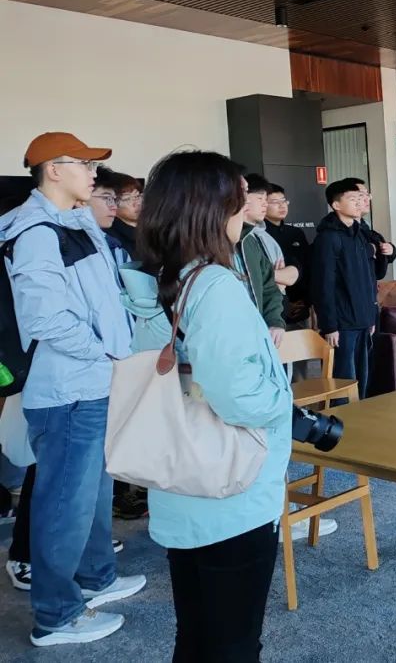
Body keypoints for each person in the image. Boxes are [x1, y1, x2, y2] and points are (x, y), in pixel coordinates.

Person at [118, 150, 292, 661]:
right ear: (213, 210)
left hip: (183, 479)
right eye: (241, 198)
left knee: (196, 634)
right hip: (232, 490)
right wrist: (282, 399)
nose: (247, 208)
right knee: (234, 642)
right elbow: (238, 396)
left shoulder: (158, 278)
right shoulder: (215, 285)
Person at [0, 132, 145, 647]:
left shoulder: (72, 224)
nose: (93, 173)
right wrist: (102, 351)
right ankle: (56, 616)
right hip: (67, 390)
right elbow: (44, 319)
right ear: (53, 170)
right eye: (83, 164)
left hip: (92, 383)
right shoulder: (36, 231)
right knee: (65, 502)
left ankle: (96, 577)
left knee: (93, 494)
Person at [311, 178, 395, 400]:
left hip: (364, 319)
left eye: (361, 198)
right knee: (343, 379)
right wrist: (329, 325)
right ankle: (341, 416)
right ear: (336, 205)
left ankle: (360, 413)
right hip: (342, 323)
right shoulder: (328, 238)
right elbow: (323, 285)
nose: (359, 202)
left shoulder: (360, 234)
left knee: (362, 377)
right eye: (353, 199)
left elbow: (370, 277)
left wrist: (370, 318)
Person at [236, 176, 286, 348]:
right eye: (260, 198)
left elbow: (269, 286)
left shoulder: (250, 241)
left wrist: (274, 321)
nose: (264, 204)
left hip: (260, 335)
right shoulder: (203, 245)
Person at [264, 183, 311, 326]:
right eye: (275, 202)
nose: (282, 205)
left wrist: (308, 301)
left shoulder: (295, 233)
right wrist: (285, 303)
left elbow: (307, 267)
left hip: (301, 307)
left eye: (283, 201)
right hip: (272, 309)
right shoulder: (259, 235)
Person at [110, 171, 142, 258]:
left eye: (137, 196)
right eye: (127, 199)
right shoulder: (112, 238)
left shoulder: (152, 226)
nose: (137, 203)